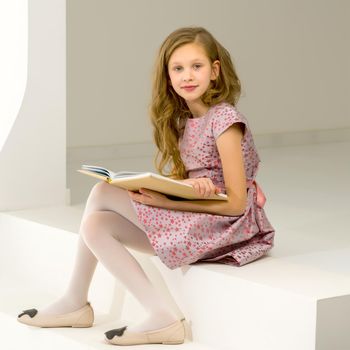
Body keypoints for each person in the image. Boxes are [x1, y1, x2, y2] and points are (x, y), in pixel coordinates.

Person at [17, 26, 275, 345]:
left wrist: (164, 200)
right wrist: (172, 189)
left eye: (197, 66)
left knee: (101, 193)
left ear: (215, 70)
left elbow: (236, 204)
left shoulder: (225, 121)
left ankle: (80, 301)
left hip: (227, 224)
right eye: (178, 68)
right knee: (96, 224)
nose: (187, 76)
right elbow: (198, 182)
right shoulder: (185, 119)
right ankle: (139, 311)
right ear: (167, 76)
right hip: (201, 214)